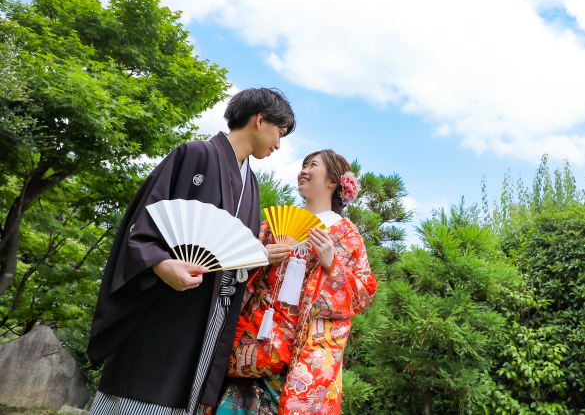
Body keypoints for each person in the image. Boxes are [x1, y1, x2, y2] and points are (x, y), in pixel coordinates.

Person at [86, 88, 296, 415]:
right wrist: (160, 265)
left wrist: (258, 255)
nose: (278, 145)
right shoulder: (194, 155)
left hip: (213, 313)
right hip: (165, 303)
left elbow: (231, 251)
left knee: (187, 398)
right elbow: (141, 223)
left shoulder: (251, 185)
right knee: (140, 393)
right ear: (260, 120)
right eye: (279, 133)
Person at [218, 150, 378, 415]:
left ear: (333, 181)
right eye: (303, 165)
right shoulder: (275, 225)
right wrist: (260, 256)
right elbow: (238, 269)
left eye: (312, 165)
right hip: (254, 339)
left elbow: (362, 294)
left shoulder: (345, 234)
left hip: (301, 347)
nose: (303, 170)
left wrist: (332, 264)